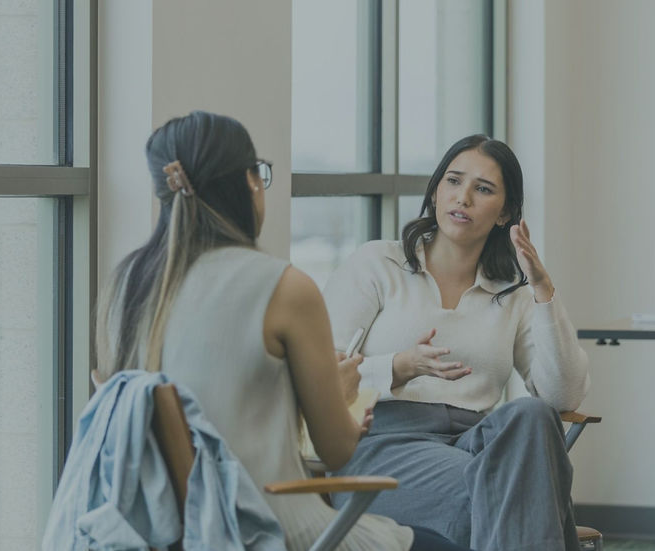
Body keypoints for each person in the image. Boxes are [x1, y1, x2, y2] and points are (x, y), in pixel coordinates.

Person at [93, 110, 469, 551]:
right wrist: (344, 394)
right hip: (269, 527)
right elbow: (335, 453)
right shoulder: (283, 287)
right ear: (249, 182)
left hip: (163, 531)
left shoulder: (124, 286)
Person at [323, 134, 590, 551]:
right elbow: (319, 374)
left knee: (534, 415)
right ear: (434, 193)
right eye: (453, 181)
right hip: (383, 446)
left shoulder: (512, 294)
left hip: (474, 442)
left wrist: (543, 291)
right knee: (514, 491)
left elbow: (563, 394)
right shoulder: (378, 264)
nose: (462, 197)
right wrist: (398, 366)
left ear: (506, 214)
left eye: (483, 189)